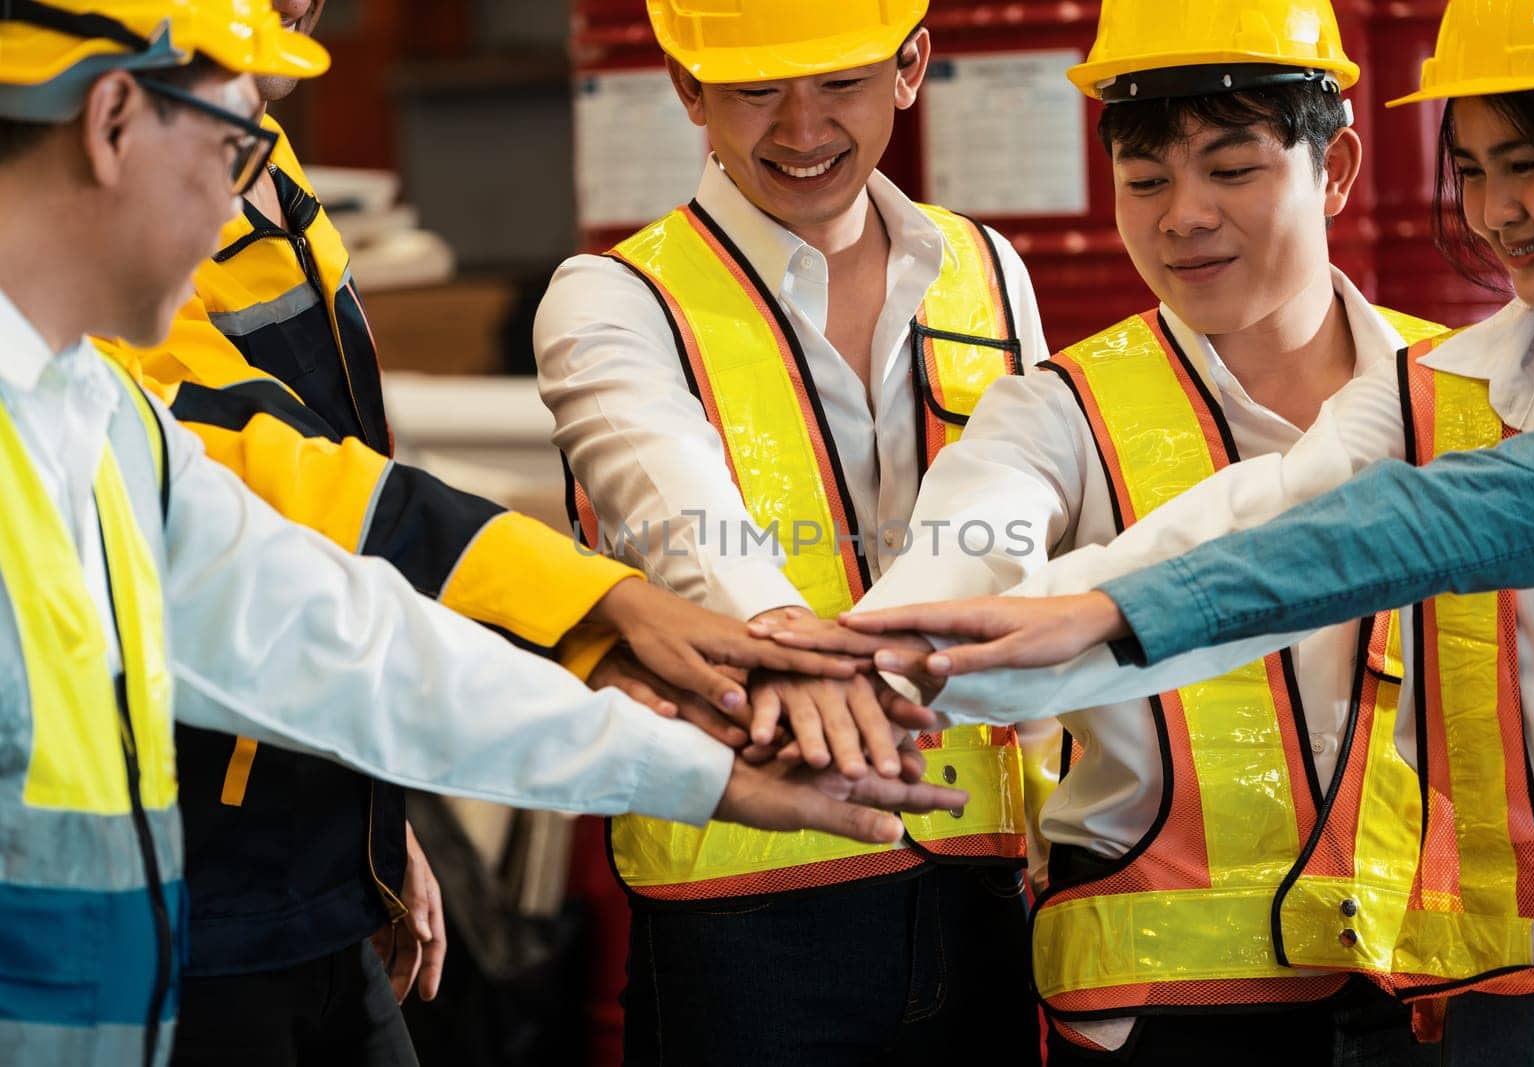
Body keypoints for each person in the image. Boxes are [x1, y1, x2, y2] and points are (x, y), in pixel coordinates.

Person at [0, 3, 967, 1063]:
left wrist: (690, 763)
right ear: (111, 119)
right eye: (233, 146)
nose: (244, 197)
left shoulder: (100, 423)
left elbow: (342, 639)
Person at [791, 2, 1534, 1062]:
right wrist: (884, 659)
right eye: (1144, 181)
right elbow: (1278, 514)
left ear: (1339, 168)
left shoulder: (1451, 384)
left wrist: (1092, 612)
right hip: (1315, 1002)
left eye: (1231, 170)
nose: (1183, 218)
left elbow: (1411, 522)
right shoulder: (1422, 390)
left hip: (1443, 988)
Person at [534, 1, 1052, 1061]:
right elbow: (677, 510)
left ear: (912, 66)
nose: (802, 128)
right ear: (687, 90)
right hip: (741, 900)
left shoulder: (989, 270)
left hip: (982, 869)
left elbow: (1034, 541)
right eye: (757, 90)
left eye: (839, 84)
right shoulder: (616, 298)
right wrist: (786, 643)